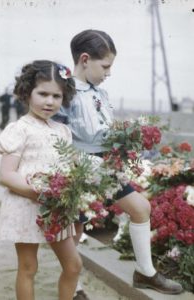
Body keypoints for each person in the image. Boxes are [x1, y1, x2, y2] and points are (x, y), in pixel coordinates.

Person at [55, 29, 183, 297]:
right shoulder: (64, 93)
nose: (109, 72)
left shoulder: (100, 93)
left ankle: (145, 272)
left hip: (105, 165)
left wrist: (126, 137)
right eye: (106, 66)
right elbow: (56, 138)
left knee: (140, 208)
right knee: (75, 231)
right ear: (85, 59)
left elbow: (106, 129)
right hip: (78, 169)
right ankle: (75, 288)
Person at [0, 60, 82, 300]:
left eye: (56, 96)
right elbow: (7, 175)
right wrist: (41, 192)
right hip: (27, 207)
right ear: (27, 92)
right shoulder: (19, 129)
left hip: (56, 209)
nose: (49, 101)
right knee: (28, 267)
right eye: (42, 93)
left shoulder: (62, 130)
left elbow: (68, 169)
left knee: (73, 265)